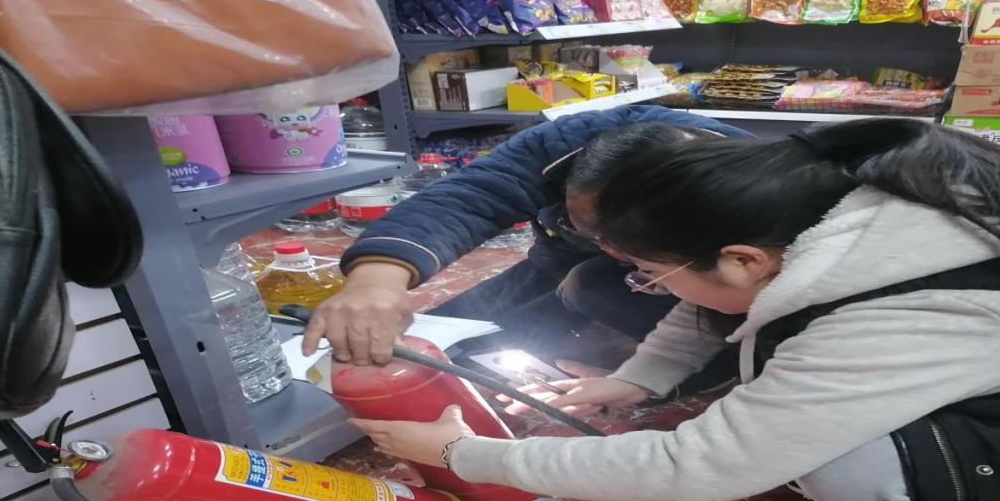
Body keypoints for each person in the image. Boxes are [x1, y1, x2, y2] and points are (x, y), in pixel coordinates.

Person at [351, 119, 1000, 501]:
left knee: (842, 462)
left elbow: (701, 464)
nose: (642, 285)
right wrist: (636, 379)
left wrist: (468, 454)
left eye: (646, 272)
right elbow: (712, 299)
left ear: (742, 258)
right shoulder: (835, 206)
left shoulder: (907, 309)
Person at [303, 106, 750, 395]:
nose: (612, 251)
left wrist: (651, 381)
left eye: (630, 251)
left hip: (694, 291)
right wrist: (377, 279)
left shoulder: (758, 203)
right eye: (593, 232)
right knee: (444, 344)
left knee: (591, 285)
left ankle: (714, 362)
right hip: (560, 262)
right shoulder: (572, 142)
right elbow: (474, 195)